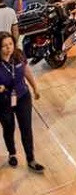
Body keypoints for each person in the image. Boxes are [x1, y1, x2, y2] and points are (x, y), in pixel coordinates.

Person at [0, 32, 44, 173]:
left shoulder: (18, 55)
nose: (9, 48)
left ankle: (31, 159)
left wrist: (35, 87)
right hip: (4, 102)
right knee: (8, 128)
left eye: (10, 44)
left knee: (26, 128)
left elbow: (26, 71)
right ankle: (12, 153)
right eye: (4, 46)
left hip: (23, 96)